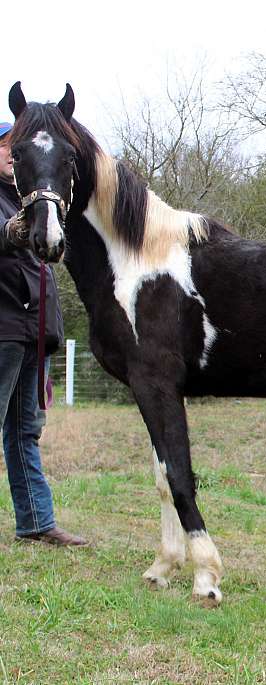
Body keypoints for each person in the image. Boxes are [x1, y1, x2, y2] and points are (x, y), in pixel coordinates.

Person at [0, 120, 87, 546]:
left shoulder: (35, 199)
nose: (6, 154)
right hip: (3, 330)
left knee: (25, 431)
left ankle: (36, 522)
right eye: (3, 147)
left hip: (34, 332)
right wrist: (8, 232)